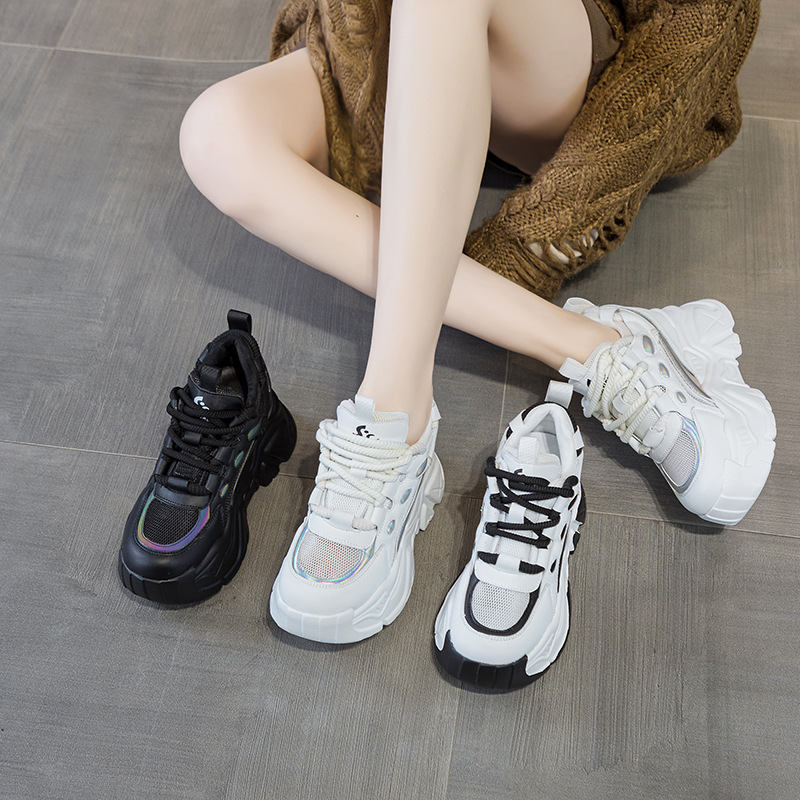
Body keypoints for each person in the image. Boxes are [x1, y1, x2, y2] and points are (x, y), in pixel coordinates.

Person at [173, 0, 775, 682]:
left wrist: (527, 245)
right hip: (395, 31)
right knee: (216, 133)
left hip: (563, 63)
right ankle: (595, 345)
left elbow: (707, 16)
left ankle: (393, 413)